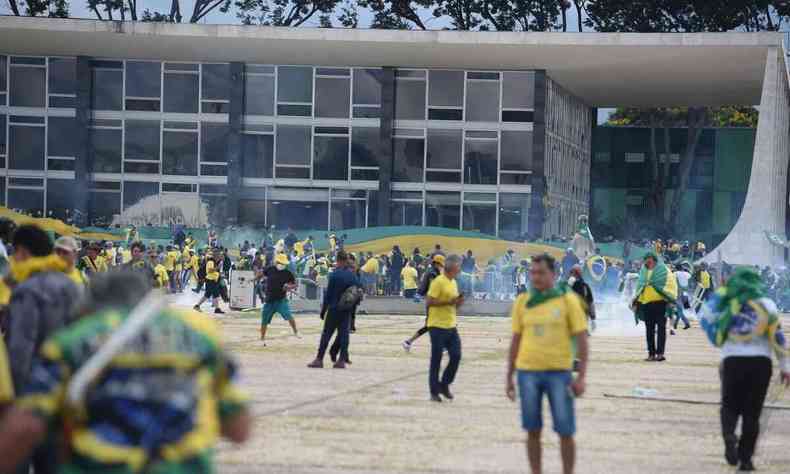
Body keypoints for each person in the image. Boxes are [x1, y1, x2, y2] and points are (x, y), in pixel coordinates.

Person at [0, 271, 252, 473]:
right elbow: (239, 429)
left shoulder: (70, 342)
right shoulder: (199, 338)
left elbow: (27, 426)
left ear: (91, 304)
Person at [2, 225, 81, 474]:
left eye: (15, 252)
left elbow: (20, 348)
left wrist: (14, 401)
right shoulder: (71, 285)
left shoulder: (27, 290)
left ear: (24, 252)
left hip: (32, 392)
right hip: (64, 391)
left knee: (20, 460)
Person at [699, 268, 790, 471]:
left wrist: (721, 292)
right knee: (752, 412)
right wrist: (785, 366)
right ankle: (746, 459)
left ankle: (729, 437)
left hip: (732, 360)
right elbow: (778, 338)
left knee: (729, 405)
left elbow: (706, 319)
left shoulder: (727, 303)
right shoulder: (767, 304)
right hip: (760, 363)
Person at [505, 253, 589, 474]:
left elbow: (582, 338)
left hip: (559, 374)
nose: (536, 277)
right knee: (532, 430)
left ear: (553, 274)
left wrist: (581, 377)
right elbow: (516, 340)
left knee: (565, 430)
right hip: (527, 373)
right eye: (533, 272)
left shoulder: (567, 299)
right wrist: (509, 378)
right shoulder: (523, 301)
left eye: (541, 272)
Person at [308, 251, 360, 369]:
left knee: (326, 334)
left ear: (338, 260)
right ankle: (341, 360)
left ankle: (319, 359)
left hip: (334, 308)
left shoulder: (334, 275)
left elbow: (328, 295)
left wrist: (323, 310)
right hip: (346, 310)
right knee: (344, 335)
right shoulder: (352, 275)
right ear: (346, 260)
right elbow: (359, 290)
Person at [425, 254, 464, 402]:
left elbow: (454, 305)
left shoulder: (453, 282)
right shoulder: (438, 282)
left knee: (456, 355)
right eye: (459, 266)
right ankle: (434, 391)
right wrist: (448, 302)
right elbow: (429, 302)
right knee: (436, 359)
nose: (460, 269)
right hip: (436, 326)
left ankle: (444, 384)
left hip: (451, 325)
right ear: (452, 267)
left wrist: (458, 302)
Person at [632, 252, 678, 362]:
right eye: (646, 259)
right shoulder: (643, 271)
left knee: (662, 329)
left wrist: (670, 299)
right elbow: (640, 285)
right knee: (649, 330)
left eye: (649, 259)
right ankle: (651, 354)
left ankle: (660, 354)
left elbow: (671, 284)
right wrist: (636, 301)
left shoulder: (663, 270)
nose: (647, 261)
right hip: (646, 303)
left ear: (654, 259)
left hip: (661, 303)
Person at [402, 255, 444, 352]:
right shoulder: (432, 273)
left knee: (431, 326)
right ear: (437, 263)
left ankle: (408, 342)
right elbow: (434, 288)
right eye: (441, 265)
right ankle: (408, 342)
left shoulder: (433, 272)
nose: (442, 267)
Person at [259, 254, 300, 345]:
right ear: (276, 262)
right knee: (264, 320)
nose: (282, 264)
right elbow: (262, 273)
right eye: (280, 263)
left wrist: (288, 286)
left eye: (283, 263)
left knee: (289, 316)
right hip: (269, 300)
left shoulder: (287, 273)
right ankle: (262, 338)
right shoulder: (270, 269)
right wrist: (255, 277)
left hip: (281, 300)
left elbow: (295, 284)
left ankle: (296, 332)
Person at [673, 264, 692, 331]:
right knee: (681, 309)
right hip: (686, 293)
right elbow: (690, 276)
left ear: (676, 268)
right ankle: (675, 324)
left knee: (679, 309)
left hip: (679, 292)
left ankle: (687, 323)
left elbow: (671, 277)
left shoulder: (675, 273)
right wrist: (686, 271)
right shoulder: (686, 274)